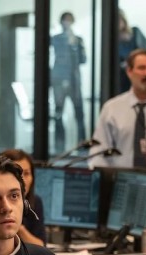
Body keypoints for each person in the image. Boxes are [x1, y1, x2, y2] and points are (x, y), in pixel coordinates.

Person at [90, 49, 146, 170]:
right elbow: (98, 152)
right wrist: (104, 178)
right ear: (129, 71)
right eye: (142, 68)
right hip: (121, 179)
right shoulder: (112, 108)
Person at [51, 12, 86, 152]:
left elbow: (83, 59)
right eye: (65, 20)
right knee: (58, 113)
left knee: (79, 113)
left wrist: (74, 45)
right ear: (61, 22)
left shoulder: (78, 40)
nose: (67, 23)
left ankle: (82, 146)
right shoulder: (56, 39)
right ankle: (59, 147)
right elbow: (59, 56)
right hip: (59, 81)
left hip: (74, 82)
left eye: (70, 20)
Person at [0, 149, 45, 245]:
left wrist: (20, 229)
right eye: (17, 173)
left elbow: (41, 246)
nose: (23, 180)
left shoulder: (35, 202)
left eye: (27, 173)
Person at [118, 10, 146, 94]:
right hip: (122, 76)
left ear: (123, 20)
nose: (117, 23)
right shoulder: (112, 38)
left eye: (119, 19)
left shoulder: (135, 32)